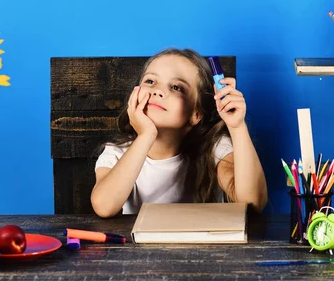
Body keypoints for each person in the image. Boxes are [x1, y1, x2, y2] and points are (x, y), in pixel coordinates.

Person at [90, 48, 267, 218]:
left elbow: (253, 203)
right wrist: (146, 136)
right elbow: (104, 207)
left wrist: (237, 127)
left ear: (195, 114)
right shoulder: (117, 153)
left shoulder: (214, 148)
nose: (158, 91)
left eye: (176, 87)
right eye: (150, 81)